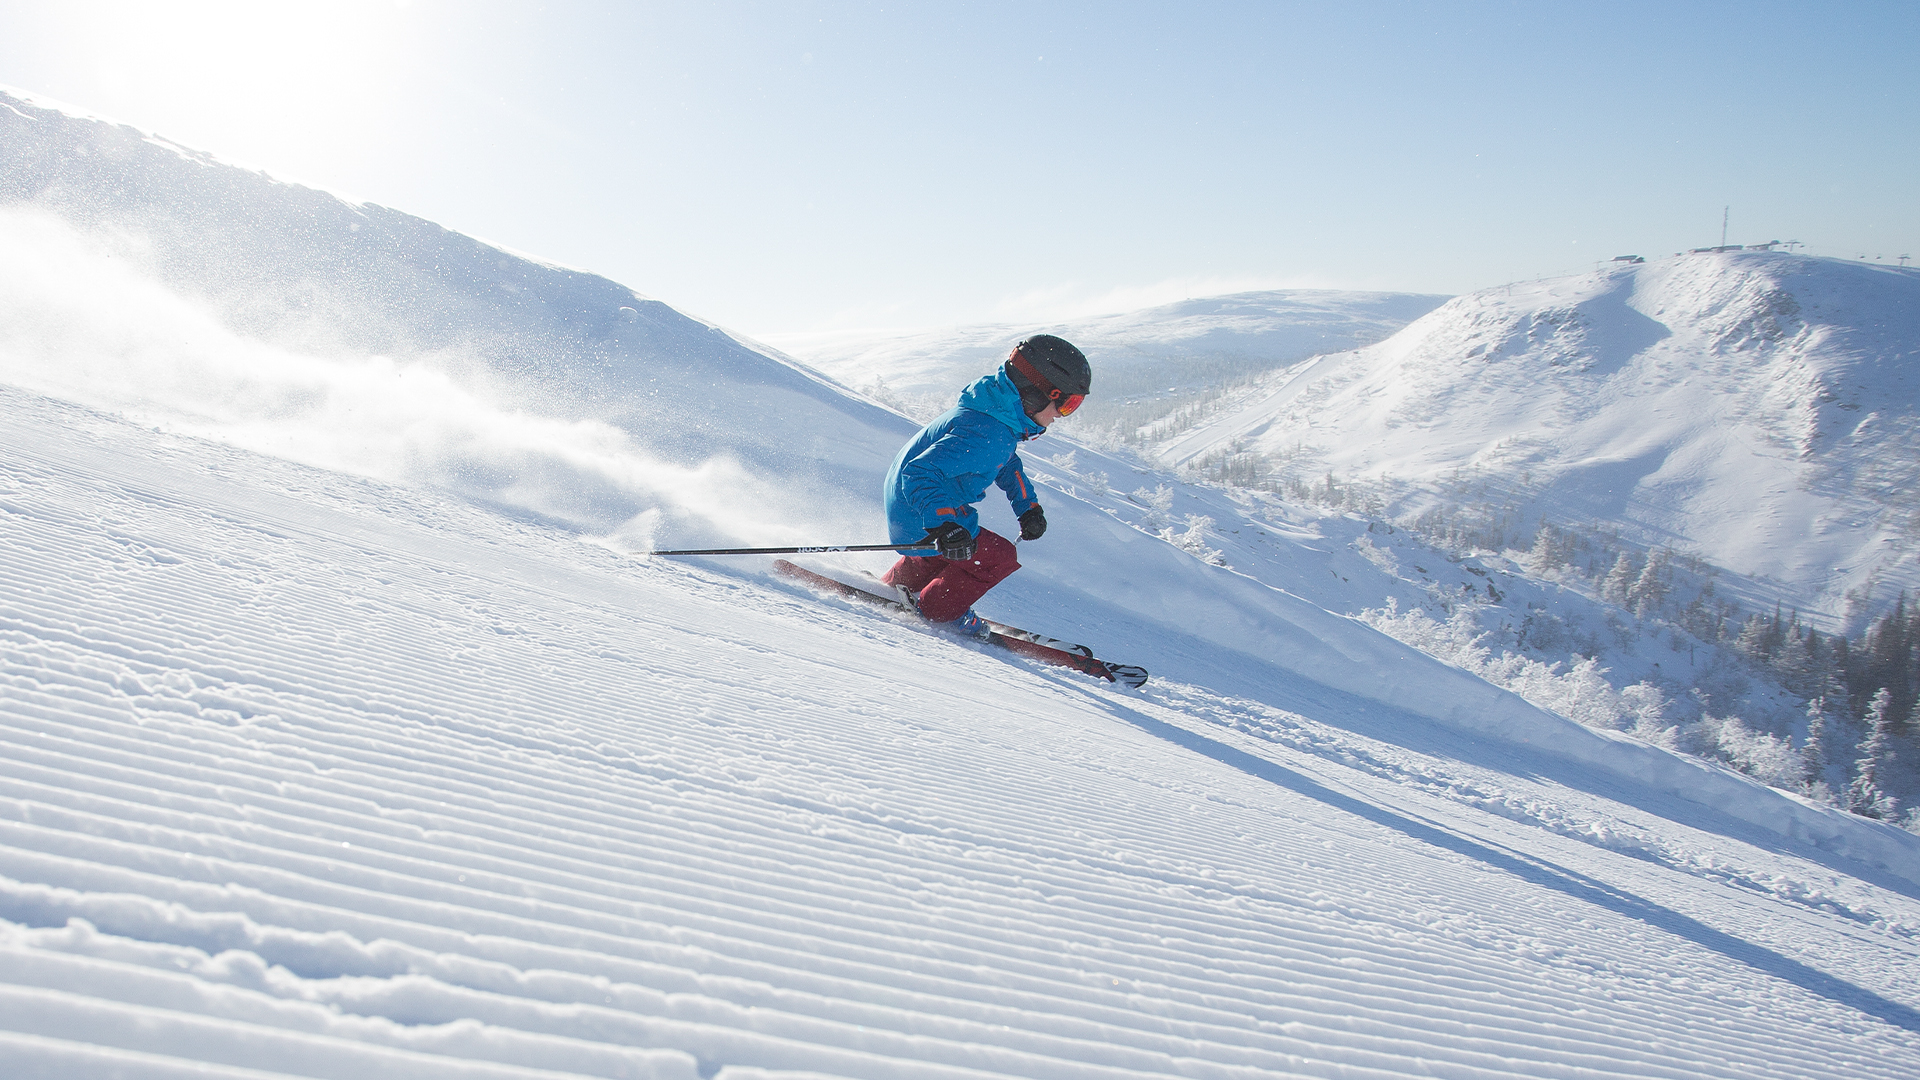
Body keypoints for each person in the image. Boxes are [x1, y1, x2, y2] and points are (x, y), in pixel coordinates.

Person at [881, 334, 1091, 638]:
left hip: (912, 510)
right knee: (999, 557)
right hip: (921, 514)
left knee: (960, 541)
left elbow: (1007, 465)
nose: (1062, 416)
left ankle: (899, 582)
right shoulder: (988, 435)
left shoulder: (992, 420)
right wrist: (944, 525)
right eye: (1068, 404)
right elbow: (918, 473)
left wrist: (1027, 508)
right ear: (1040, 393)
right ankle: (940, 611)